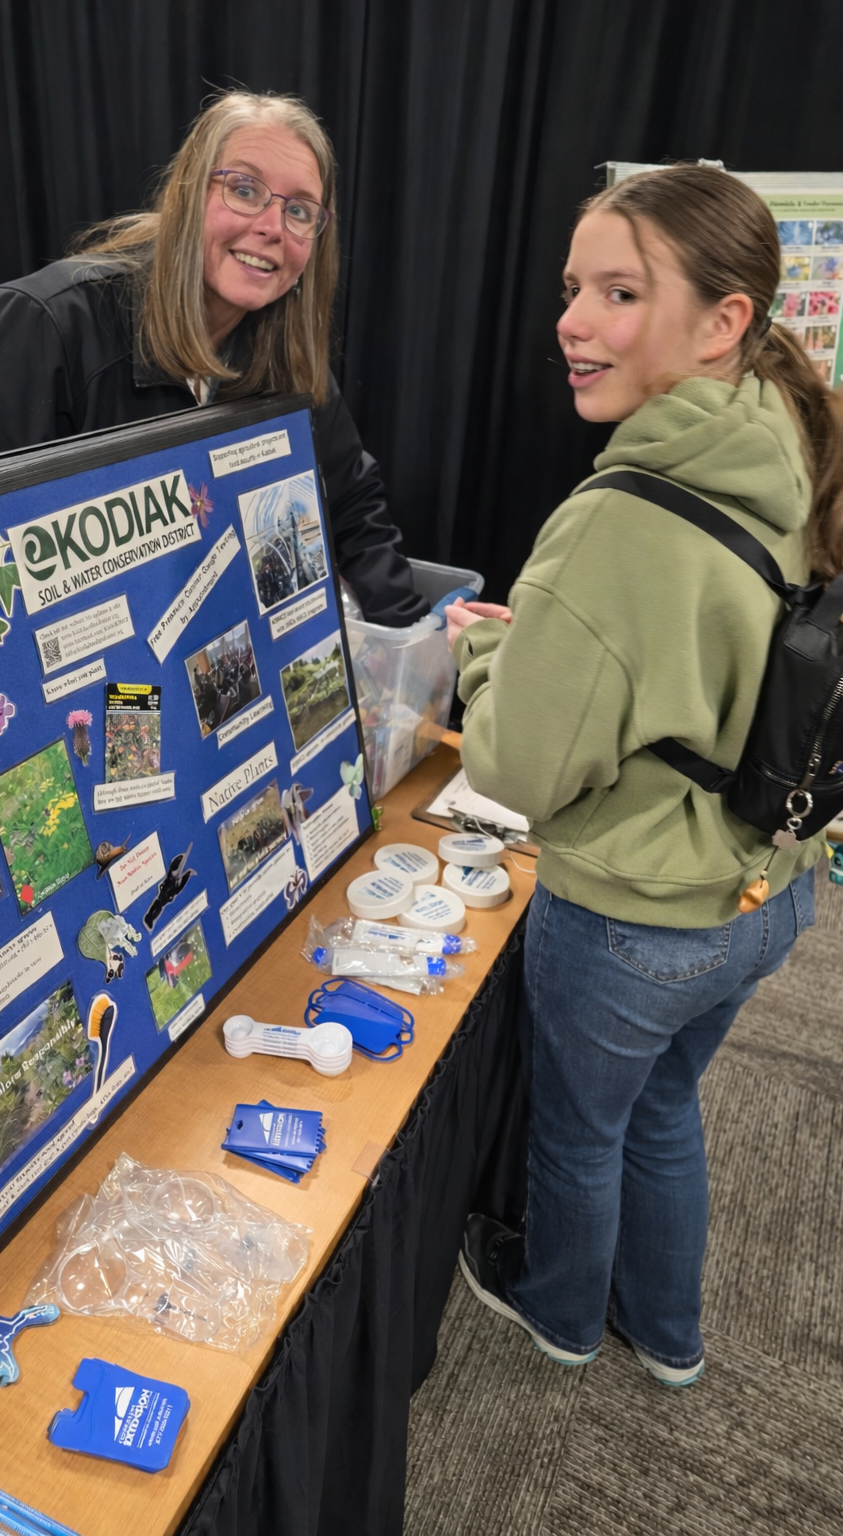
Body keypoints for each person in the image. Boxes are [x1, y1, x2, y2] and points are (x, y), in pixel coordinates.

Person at [445, 166, 838, 1386]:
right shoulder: (791, 436)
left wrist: (491, 654)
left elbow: (514, 768)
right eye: (573, 288)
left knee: (581, 1133)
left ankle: (561, 1315)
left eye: (620, 292)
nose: (573, 321)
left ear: (723, 320)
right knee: (664, 1108)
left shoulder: (620, 518)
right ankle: (668, 1337)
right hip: (771, 888)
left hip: (635, 918)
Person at [0, 91, 427, 628]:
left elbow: (351, 504)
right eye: (244, 189)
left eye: (298, 210)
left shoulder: (286, 354)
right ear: (187, 193)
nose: (273, 227)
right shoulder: (44, 327)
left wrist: (419, 636)